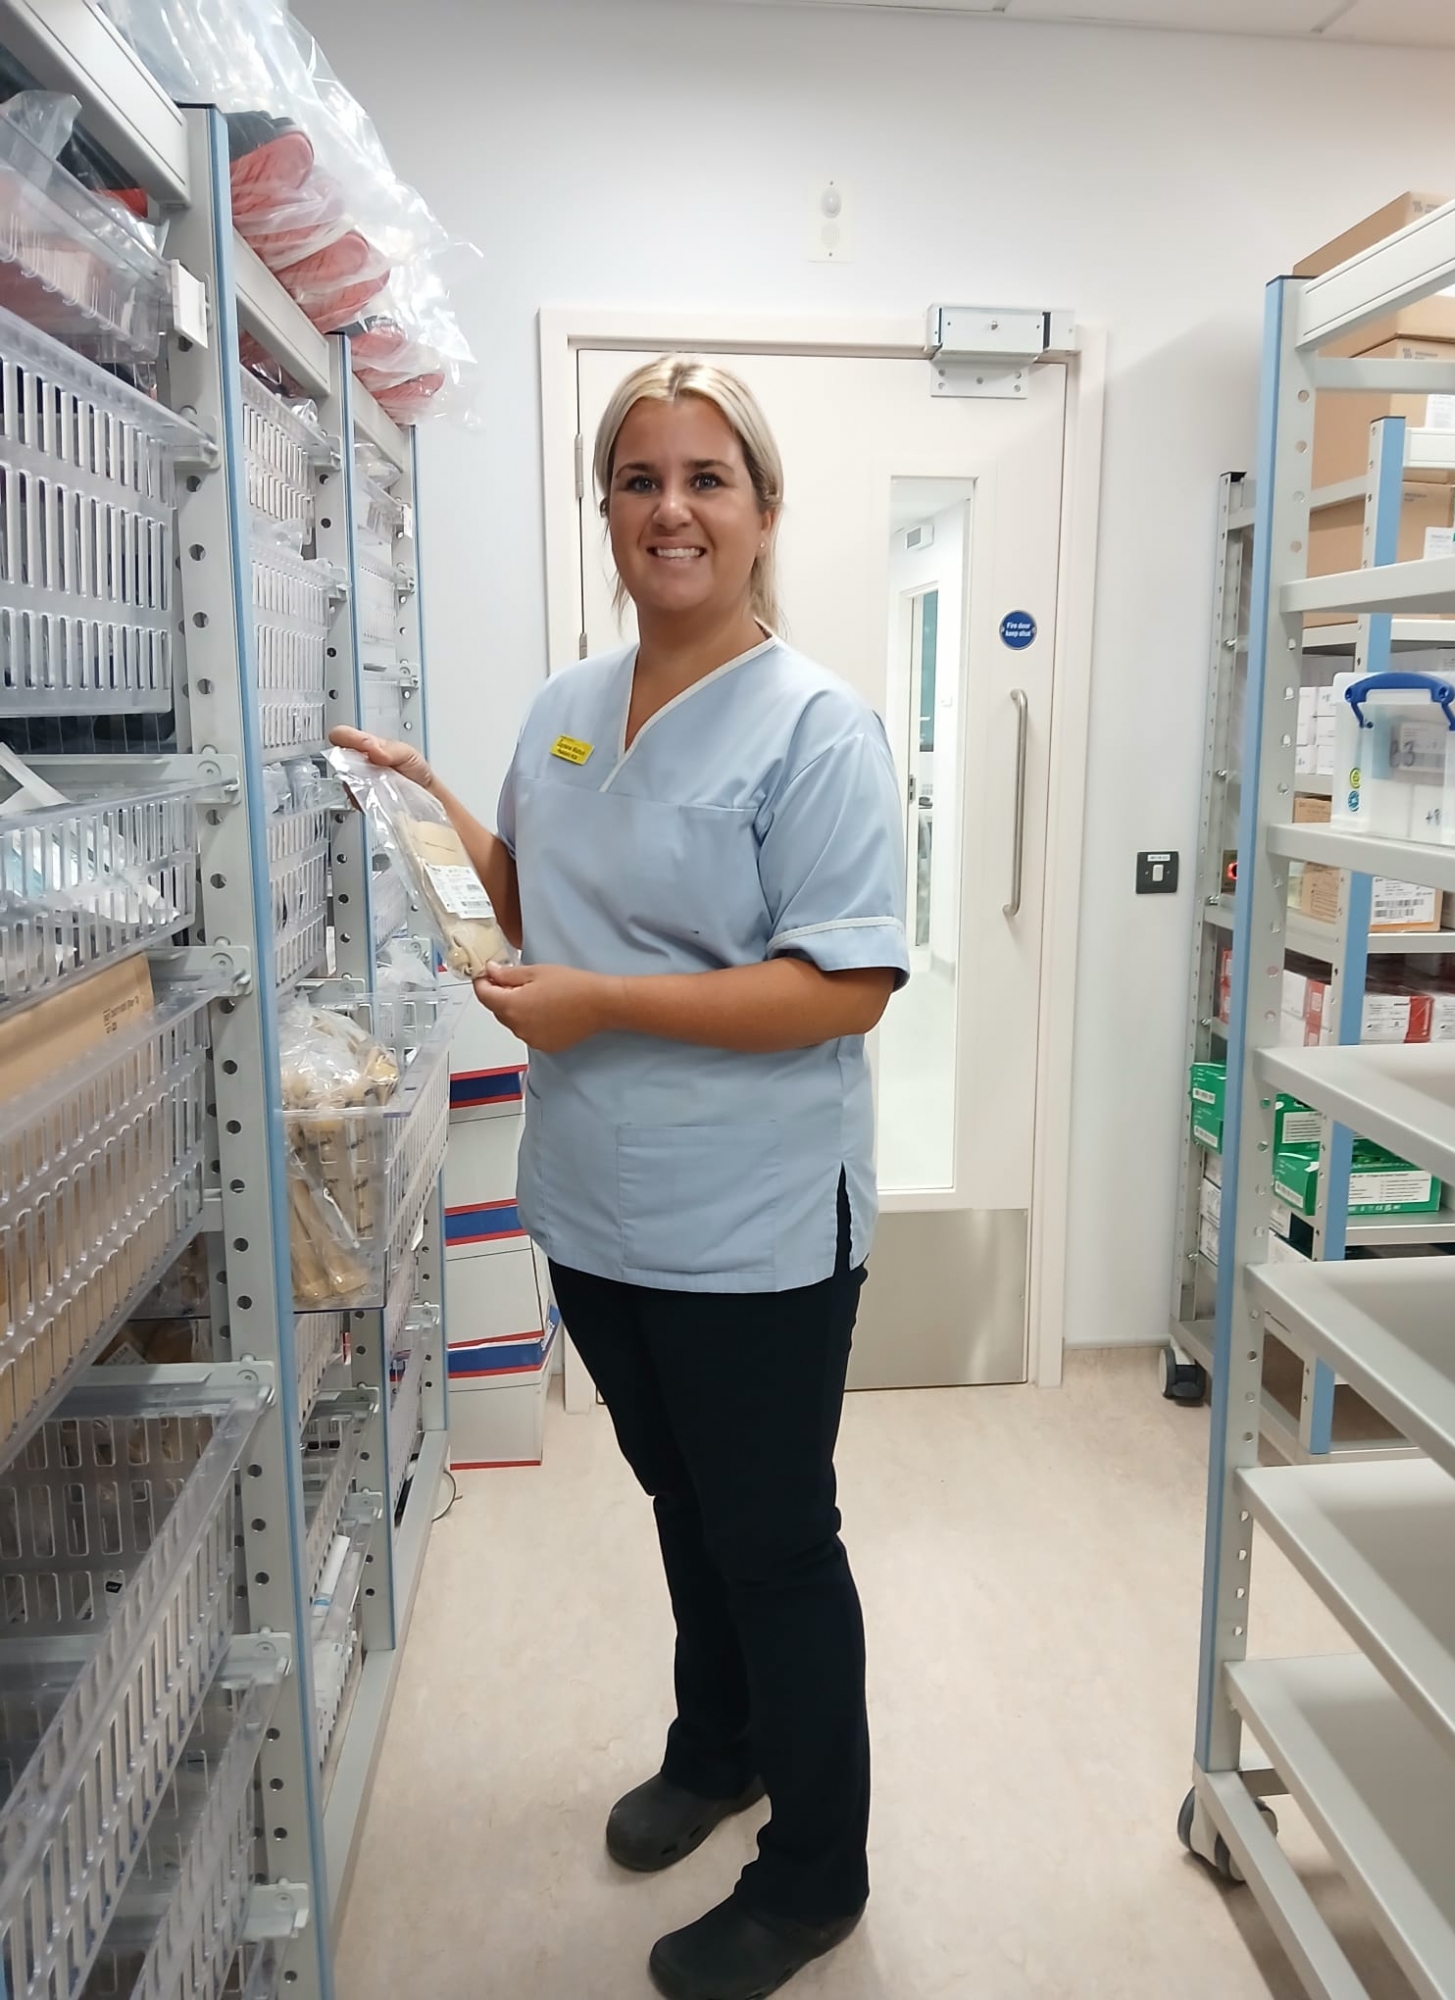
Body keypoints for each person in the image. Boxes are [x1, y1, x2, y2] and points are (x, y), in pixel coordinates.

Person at [331, 355, 908, 2000]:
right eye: (639, 477)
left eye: (707, 478)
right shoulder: (569, 709)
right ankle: (715, 1749)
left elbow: (844, 986)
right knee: (683, 1504)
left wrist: (601, 1006)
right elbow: (534, 898)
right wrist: (428, 807)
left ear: (762, 512)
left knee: (777, 1539)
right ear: (606, 512)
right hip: (596, 1206)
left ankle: (816, 1872)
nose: (672, 507)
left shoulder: (818, 729)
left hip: (755, 1221)